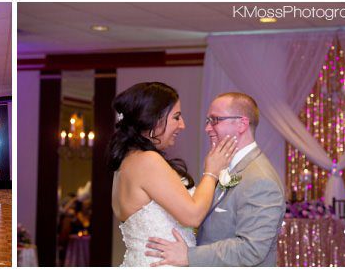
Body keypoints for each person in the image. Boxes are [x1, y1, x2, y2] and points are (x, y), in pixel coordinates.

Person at [145, 92, 286, 267]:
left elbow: (251, 249)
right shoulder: (223, 166)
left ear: (242, 124)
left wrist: (189, 256)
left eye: (215, 120)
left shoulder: (261, 181)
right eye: (207, 121)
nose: (207, 128)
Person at [107, 82, 238, 267]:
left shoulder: (126, 162)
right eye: (176, 117)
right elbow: (192, 215)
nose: (182, 125)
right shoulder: (147, 161)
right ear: (154, 119)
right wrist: (212, 171)